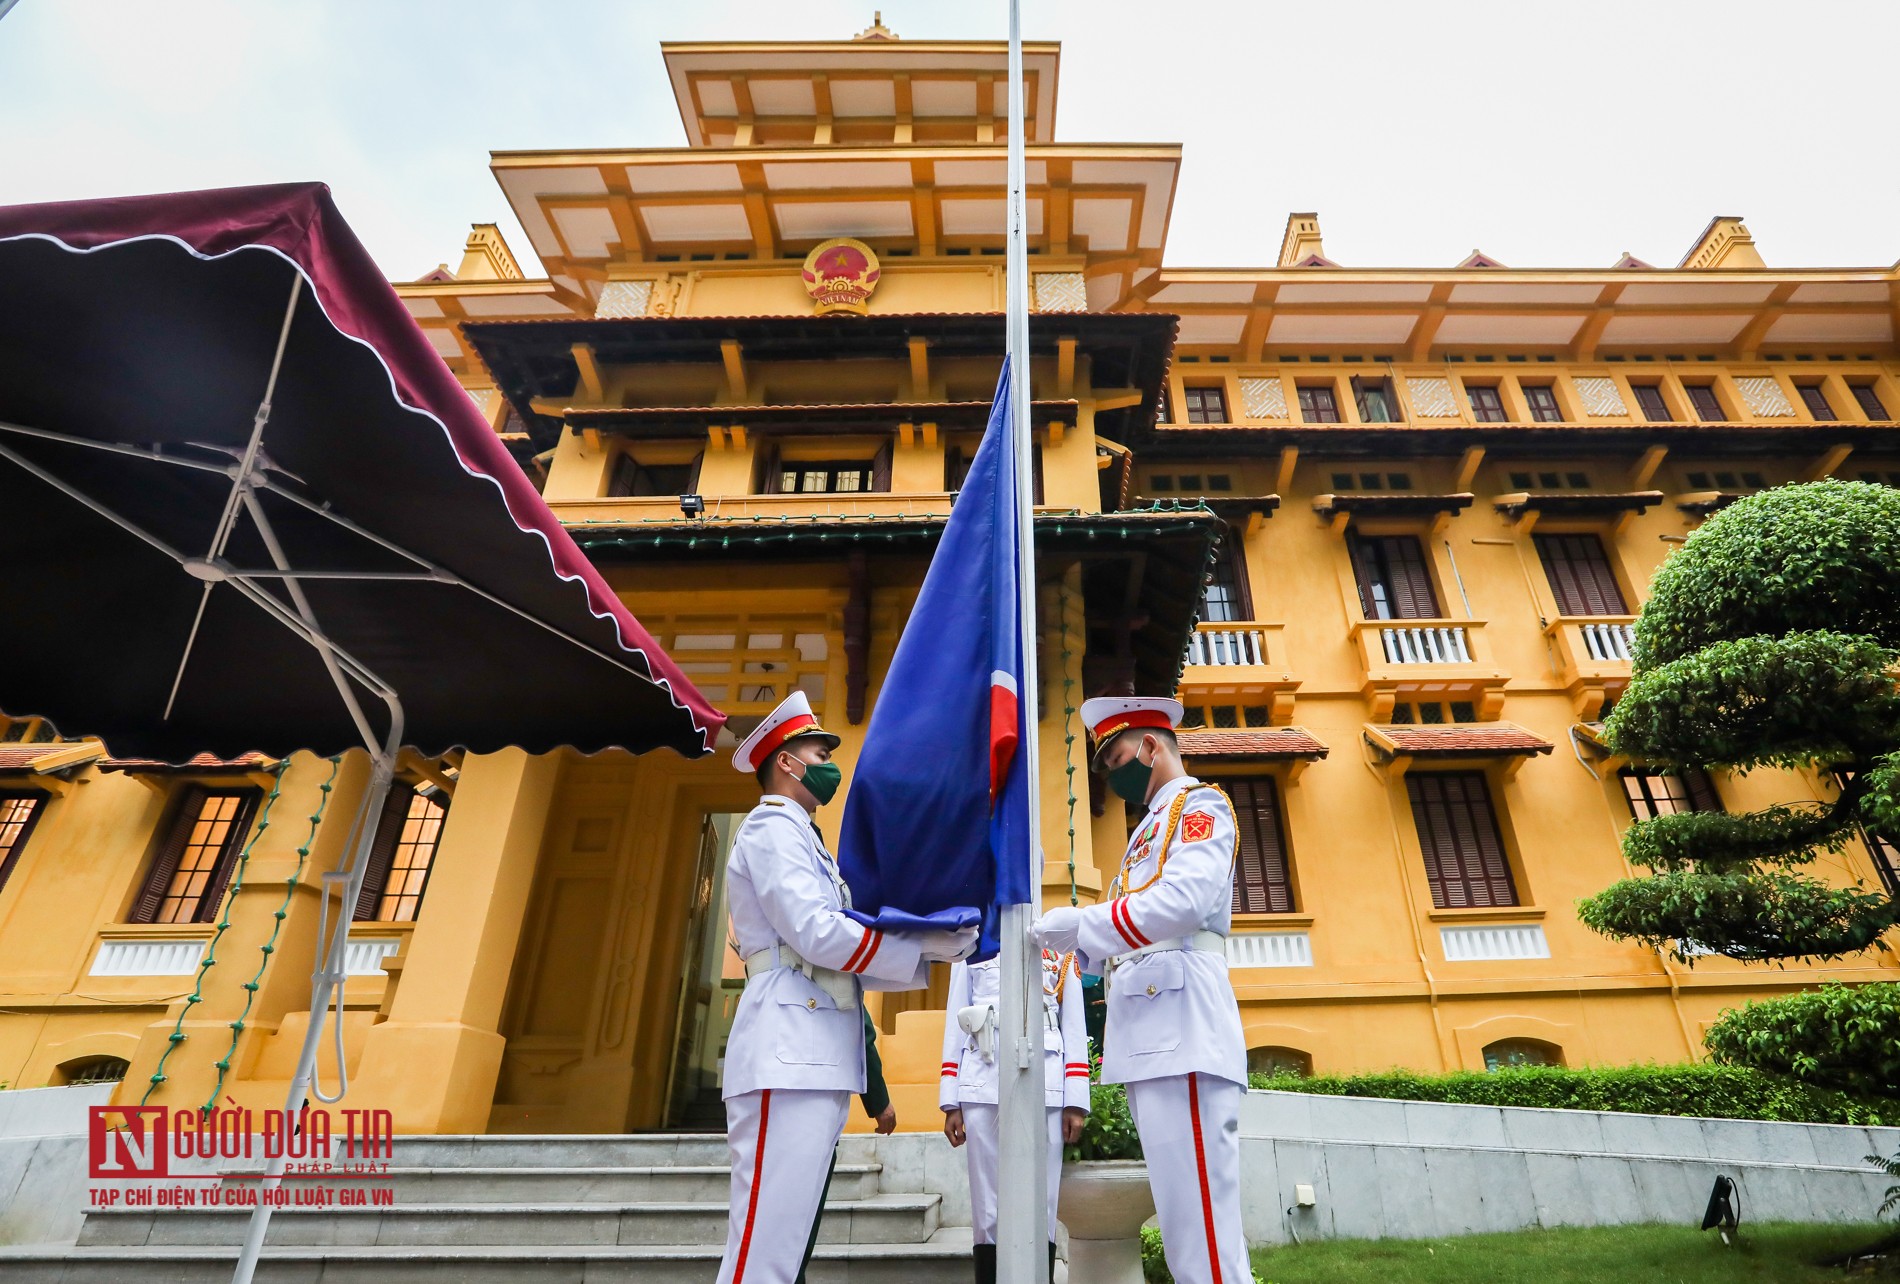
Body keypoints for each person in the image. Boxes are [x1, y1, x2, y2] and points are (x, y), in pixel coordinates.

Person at [718, 691, 978, 1284]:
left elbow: (839, 941)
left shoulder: (803, 836)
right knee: (763, 1251)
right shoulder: (771, 827)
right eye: (817, 749)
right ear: (786, 761)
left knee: (782, 1249)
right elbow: (814, 931)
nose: (827, 760)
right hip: (786, 1046)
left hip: (813, 1051)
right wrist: (917, 948)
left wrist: (930, 947)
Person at [1032, 696, 1250, 1284]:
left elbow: (1184, 903)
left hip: (1184, 1028)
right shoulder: (1145, 832)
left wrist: (1084, 926)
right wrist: (1081, 953)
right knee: (1184, 1224)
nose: (1111, 774)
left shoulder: (1200, 808)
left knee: (1203, 1225)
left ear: (1152, 745)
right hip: (1152, 1036)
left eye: (1118, 756)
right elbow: (1131, 931)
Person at [940, 947, 1090, 1283]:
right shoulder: (970, 943)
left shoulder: (1059, 945)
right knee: (987, 1205)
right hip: (982, 1078)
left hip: (1046, 1080)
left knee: (1044, 1199)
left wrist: (1076, 1099)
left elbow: (1074, 1021)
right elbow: (956, 1019)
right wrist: (951, 1100)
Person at [795, 1010, 896, 1284]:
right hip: (808, 1094)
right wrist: (879, 1101)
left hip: (767, 1087)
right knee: (793, 1234)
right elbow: (856, 1022)